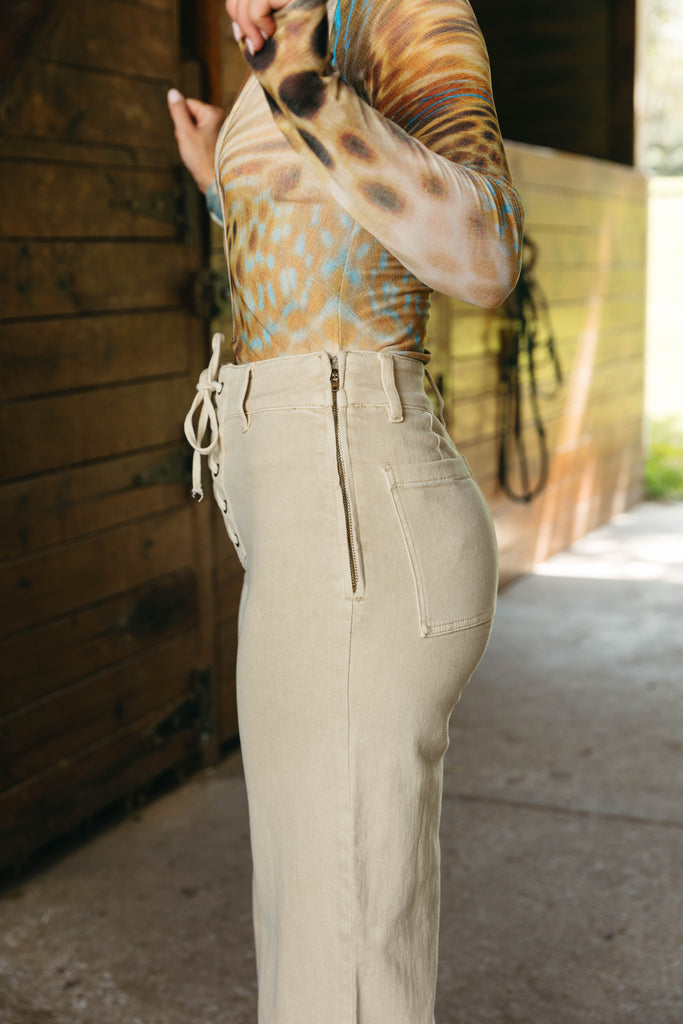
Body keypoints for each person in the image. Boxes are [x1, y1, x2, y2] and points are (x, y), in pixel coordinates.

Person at [168, 1, 523, 1021]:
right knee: (312, 914)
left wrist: (296, 80)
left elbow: (484, 257)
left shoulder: (400, 11)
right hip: (304, 506)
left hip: (356, 504)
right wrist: (225, 178)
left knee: (344, 953)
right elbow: (330, 248)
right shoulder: (301, 25)